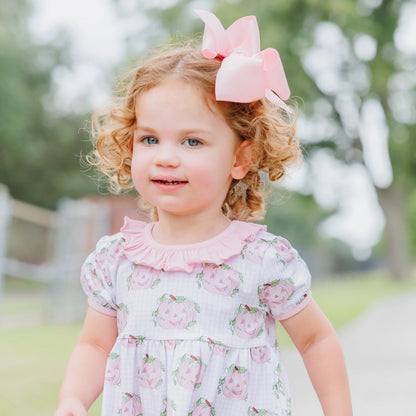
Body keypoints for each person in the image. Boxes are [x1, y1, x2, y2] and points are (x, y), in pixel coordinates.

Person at [55, 9, 352, 416]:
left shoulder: (261, 260)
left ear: (240, 157)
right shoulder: (115, 260)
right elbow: (93, 345)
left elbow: (315, 339)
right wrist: (72, 399)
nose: (166, 158)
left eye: (192, 142)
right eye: (150, 139)